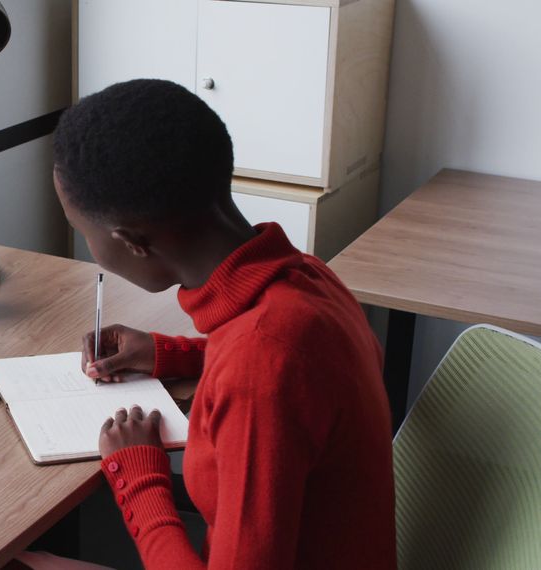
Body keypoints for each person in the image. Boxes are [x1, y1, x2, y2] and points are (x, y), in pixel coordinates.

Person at [48, 79, 396, 569]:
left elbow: (268, 374)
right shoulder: (307, 279)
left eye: (83, 232)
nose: (90, 247)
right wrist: (169, 353)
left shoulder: (260, 369)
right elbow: (297, 370)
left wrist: (139, 476)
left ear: (133, 241)